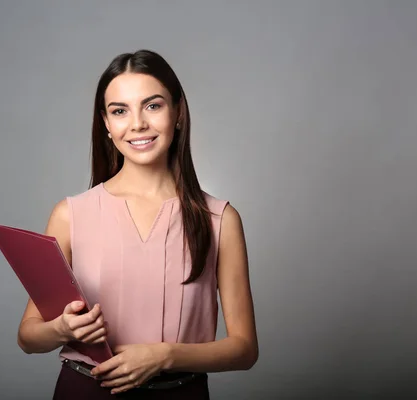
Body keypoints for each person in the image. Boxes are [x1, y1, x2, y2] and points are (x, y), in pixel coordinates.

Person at [16, 49, 258, 399]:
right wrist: (62, 328)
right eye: (120, 111)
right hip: (85, 391)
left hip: (180, 392)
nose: (137, 124)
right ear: (106, 124)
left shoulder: (220, 220)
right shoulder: (70, 215)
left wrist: (165, 355)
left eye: (153, 105)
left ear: (177, 113)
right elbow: (28, 336)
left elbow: (245, 349)